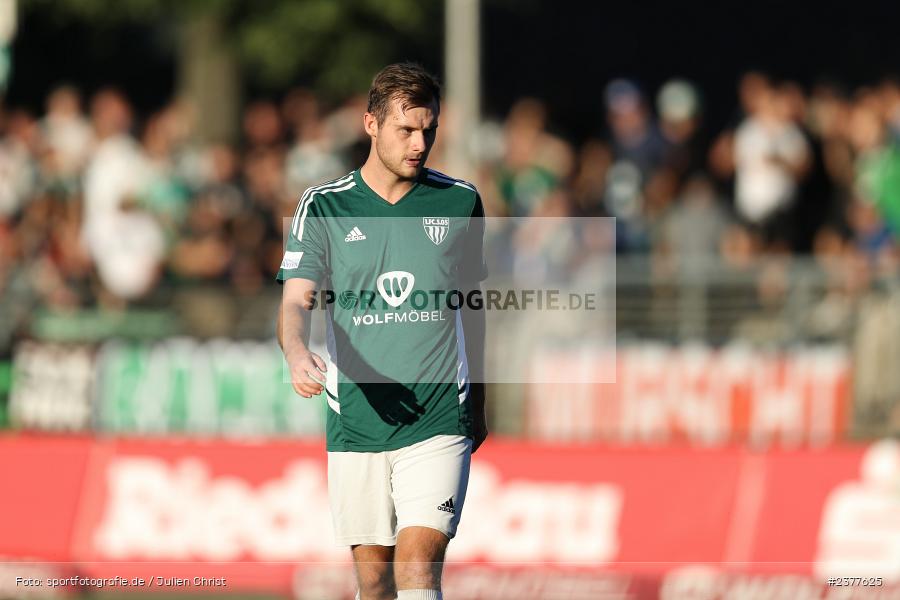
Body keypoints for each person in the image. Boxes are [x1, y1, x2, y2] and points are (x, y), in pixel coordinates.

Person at [276, 63, 488, 600]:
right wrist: (297, 351)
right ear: (370, 124)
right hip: (357, 418)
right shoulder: (324, 206)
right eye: (406, 130)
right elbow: (294, 302)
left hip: (441, 413)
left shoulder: (459, 202)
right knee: (375, 584)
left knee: (419, 566)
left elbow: (473, 305)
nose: (421, 144)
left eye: (429, 130)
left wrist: (480, 395)